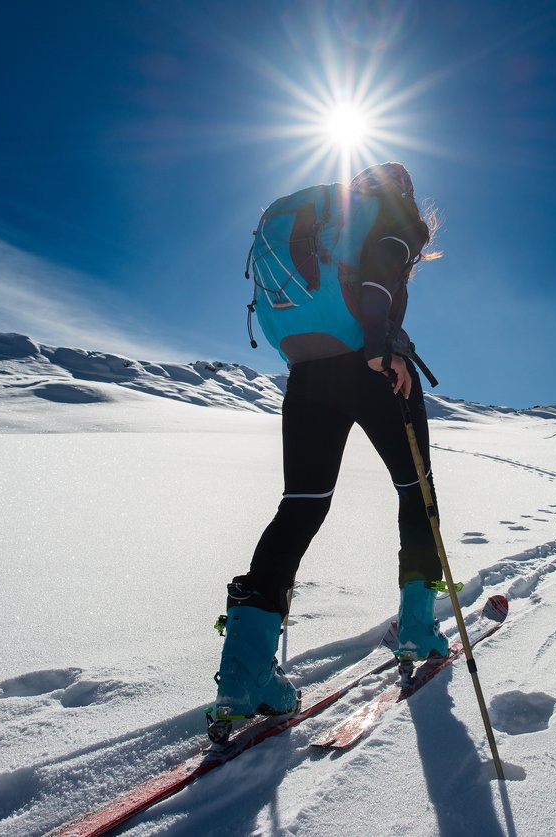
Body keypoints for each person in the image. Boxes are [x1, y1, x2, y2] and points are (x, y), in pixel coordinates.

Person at [210, 162, 445, 728]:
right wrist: (379, 345)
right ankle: (416, 628)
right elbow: (380, 274)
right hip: (372, 366)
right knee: (416, 491)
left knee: (302, 505)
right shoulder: (395, 217)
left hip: (308, 372)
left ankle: (244, 675)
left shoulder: (325, 218)